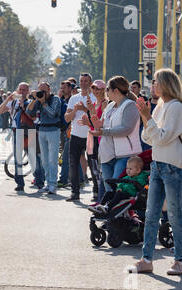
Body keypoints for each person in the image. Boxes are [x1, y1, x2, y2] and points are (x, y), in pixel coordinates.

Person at [128, 68, 182, 275]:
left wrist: (147, 117)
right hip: (158, 164)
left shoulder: (176, 107)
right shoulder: (160, 106)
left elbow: (162, 137)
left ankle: (180, 260)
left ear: (166, 83)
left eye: (156, 81)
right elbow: (147, 138)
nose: (153, 85)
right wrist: (146, 117)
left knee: (175, 215)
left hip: (172, 166)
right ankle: (146, 259)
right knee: (151, 214)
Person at [89, 76, 142, 196]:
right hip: (107, 153)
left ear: (116, 90)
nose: (105, 92)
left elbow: (127, 129)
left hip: (125, 154)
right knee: (109, 190)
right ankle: (111, 212)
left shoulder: (130, 105)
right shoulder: (110, 106)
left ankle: (122, 214)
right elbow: (103, 126)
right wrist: (96, 125)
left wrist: (103, 131)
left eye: (107, 89)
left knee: (119, 188)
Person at [64, 73, 96, 201]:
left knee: (93, 165)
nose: (84, 83)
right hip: (75, 135)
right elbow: (67, 118)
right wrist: (74, 111)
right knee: (73, 164)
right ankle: (75, 192)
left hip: (90, 135)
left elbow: (97, 116)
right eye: (82, 81)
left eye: (86, 81)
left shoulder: (94, 97)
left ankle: (96, 192)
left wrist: (85, 108)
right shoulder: (74, 98)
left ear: (91, 82)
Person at [27, 82, 62, 194]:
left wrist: (43, 103)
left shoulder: (55, 99)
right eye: (40, 90)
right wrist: (33, 99)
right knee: (44, 160)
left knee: (52, 159)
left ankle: (53, 184)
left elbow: (52, 114)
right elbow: (29, 111)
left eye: (44, 91)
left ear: (49, 90)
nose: (42, 93)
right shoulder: (38, 99)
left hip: (53, 130)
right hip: (41, 130)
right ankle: (48, 183)